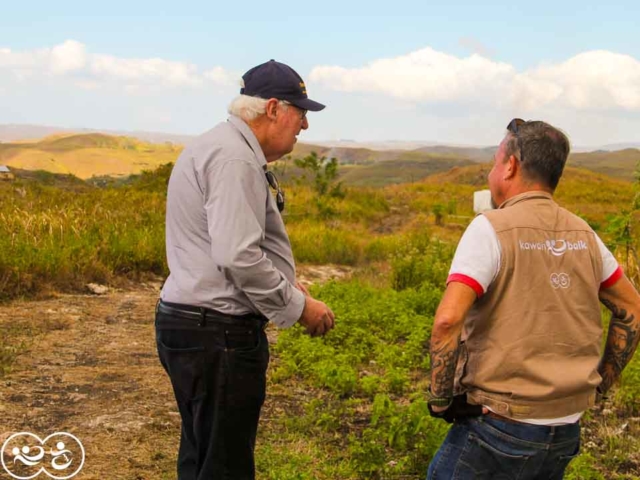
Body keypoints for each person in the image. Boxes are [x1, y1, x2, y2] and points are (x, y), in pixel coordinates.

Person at [426, 119, 640, 479]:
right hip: (566, 428)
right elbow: (632, 307)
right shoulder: (584, 233)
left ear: (510, 166)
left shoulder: (491, 228)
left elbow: (447, 321)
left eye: (495, 162)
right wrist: (603, 382)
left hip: (499, 423)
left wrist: (440, 400)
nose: (493, 171)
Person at [155, 59, 335, 480]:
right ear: (273, 108)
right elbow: (238, 257)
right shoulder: (235, 159)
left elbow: (229, 248)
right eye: (301, 111)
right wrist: (298, 306)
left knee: (202, 453)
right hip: (217, 335)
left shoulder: (222, 147)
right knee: (225, 465)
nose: (305, 125)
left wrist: (284, 282)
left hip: (197, 326)